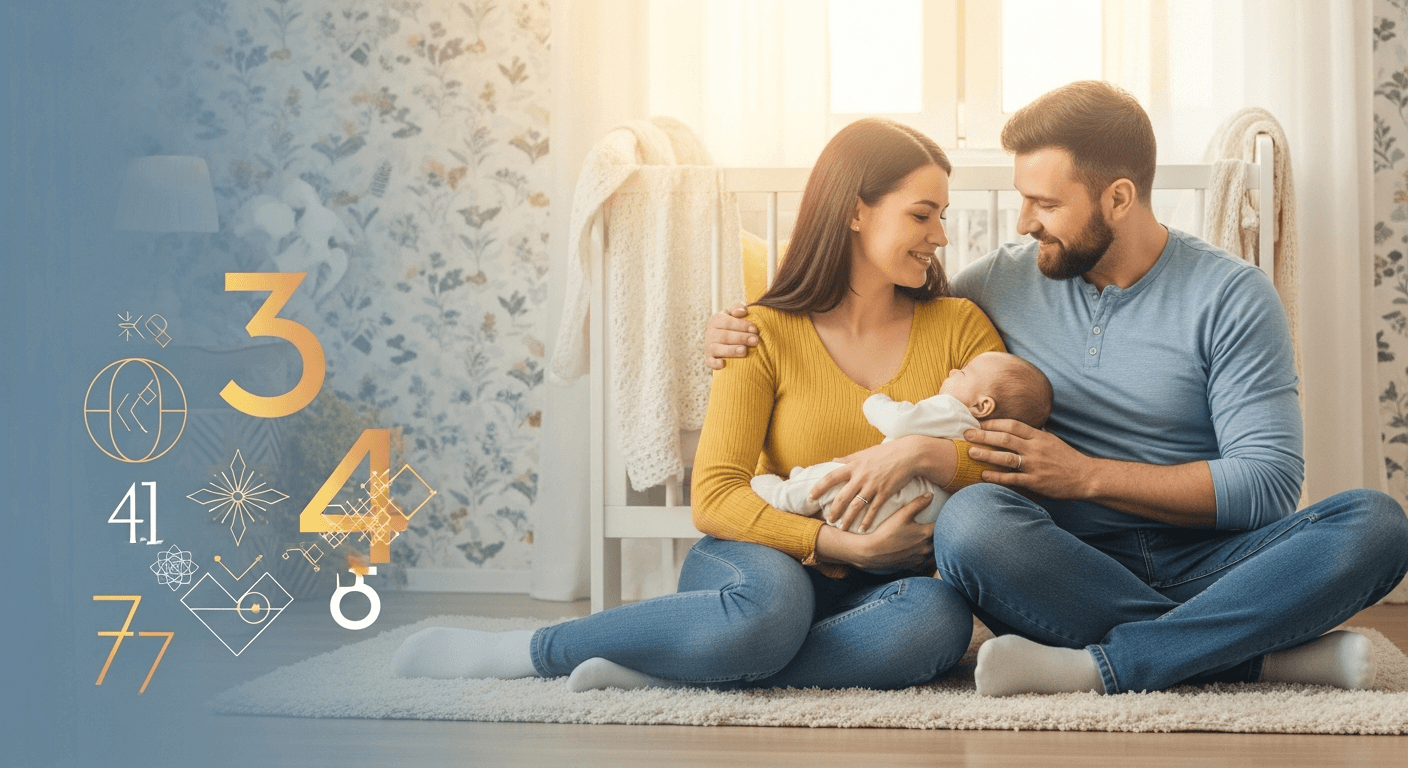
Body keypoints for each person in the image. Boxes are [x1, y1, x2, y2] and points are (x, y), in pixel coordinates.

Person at [707, 81, 1408, 696]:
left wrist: (1086, 476)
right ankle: (1248, 655)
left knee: (1376, 524)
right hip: (1057, 566)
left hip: (1214, 563)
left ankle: (1124, 659)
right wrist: (741, 327)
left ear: (1119, 198)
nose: (1022, 222)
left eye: (1043, 202)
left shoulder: (1231, 295)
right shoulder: (999, 281)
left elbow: (1268, 486)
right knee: (973, 521)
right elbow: (874, 294)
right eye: (1022, 199)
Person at [391, 117, 1008, 692]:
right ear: (854, 212)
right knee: (767, 615)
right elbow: (715, 496)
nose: (942, 236)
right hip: (758, 563)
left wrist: (914, 455)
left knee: (938, 624)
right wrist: (843, 546)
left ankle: (681, 663)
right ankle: (530, 652)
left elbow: (1002, 464)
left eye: (942, 215)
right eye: (923, 214)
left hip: (884, 587)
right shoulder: (758, 331)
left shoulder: (960, 328)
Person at [753, 351, 1051, 538]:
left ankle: (781, 493)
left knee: (834, 476)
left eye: (962, 373)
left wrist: (875, 401)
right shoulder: (985, 439)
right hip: (913, 518)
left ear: (982, 405)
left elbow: (899, 421)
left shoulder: (952, 410)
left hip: (883, 499)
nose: (951, 372)